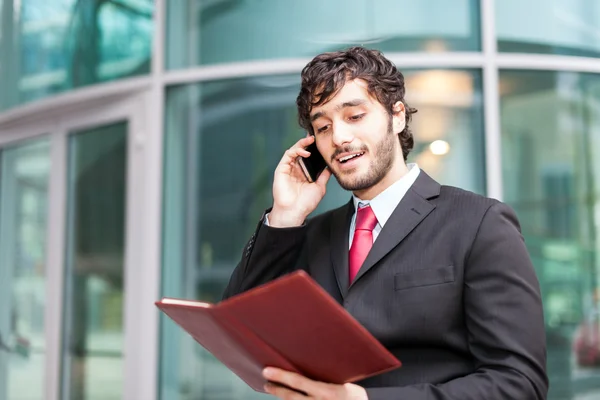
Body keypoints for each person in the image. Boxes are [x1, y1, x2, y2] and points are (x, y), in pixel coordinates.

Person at [223, 47, 548, 400]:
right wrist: (285, 216)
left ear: (397, 116)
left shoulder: (479, 224)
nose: (339, 138)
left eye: (355, 115)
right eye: (323, 127)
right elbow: (238, 333)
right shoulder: (306, 235)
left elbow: (519, 384)